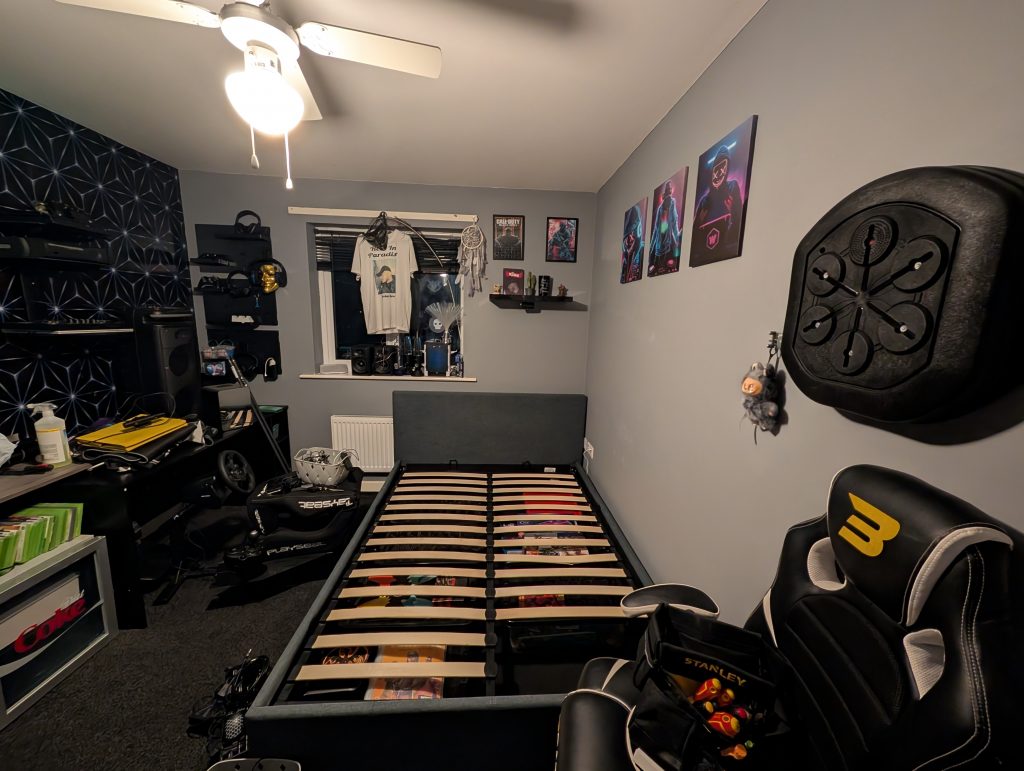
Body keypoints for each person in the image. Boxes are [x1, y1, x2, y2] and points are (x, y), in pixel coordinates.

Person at [649, 179, 681, 274]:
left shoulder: (670, 203)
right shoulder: (662, 207)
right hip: (661, 244)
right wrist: (651, 247)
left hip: (665, 243)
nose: (670, 190)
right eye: (668, 188)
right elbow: (657, 228)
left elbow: (673, 221)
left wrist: (677, 237)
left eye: (670, 188)